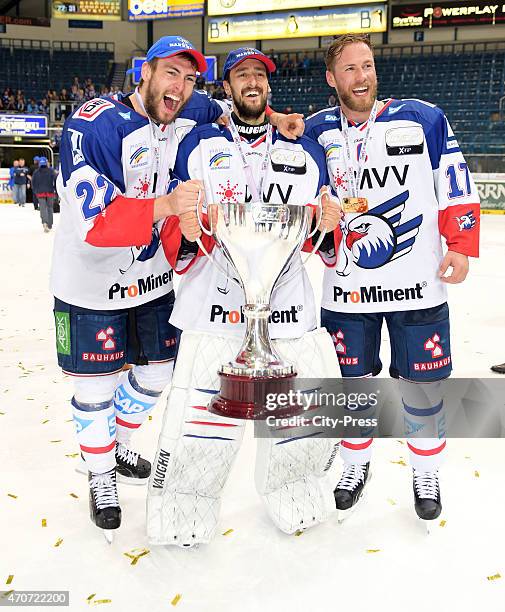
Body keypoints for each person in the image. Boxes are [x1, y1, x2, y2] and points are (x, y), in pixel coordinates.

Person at [147, 48, 342, 547]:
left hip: (287, 309)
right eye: (241, 75)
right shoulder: (199, 140)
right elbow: (175, 214)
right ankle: (183, 511)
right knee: (200, 417)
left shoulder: (307, 148)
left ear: (269, 87)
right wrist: (184, 226)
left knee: (302, 413)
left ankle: (295, 492)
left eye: (260, 74)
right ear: (227, 88)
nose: (252, 82)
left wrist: (328, 219)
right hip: (215, 305)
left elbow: (329, 227)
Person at [50, 36, 234, 540]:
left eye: (190, 77)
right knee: (95, 389)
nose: (180, 87)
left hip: (151, 281)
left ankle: (123, 439)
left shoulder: (183, 108)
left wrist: (281, 117)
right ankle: (101, 473)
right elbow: (97, 219)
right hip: (88, 285)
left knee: (157, 374)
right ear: (142, 73)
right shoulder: (93, 124)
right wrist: (171, 205)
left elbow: (219, 106)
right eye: (170, 73)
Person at [302, 34, 480, 523]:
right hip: (346, 289)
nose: (363, 77)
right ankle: (356, 464)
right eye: (351, 69)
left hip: (416, 284)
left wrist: (461, 245)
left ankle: (426, 472)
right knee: (351, 386)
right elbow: (300, 195)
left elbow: (455, 180)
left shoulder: (423, 117)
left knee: (424, 388)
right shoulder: (316, 131)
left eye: (368, 65)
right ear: (331, 79)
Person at [31, 157, 57, 232]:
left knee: (42, 208)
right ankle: (50, 224)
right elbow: (55, 180)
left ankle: (44, 222)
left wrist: (35, 191)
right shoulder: (51, 171)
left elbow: (33, 182)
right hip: (50, 192)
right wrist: (55, 189)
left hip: (40, 192)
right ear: (46, 163)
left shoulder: (36, 172)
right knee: (50, 208)